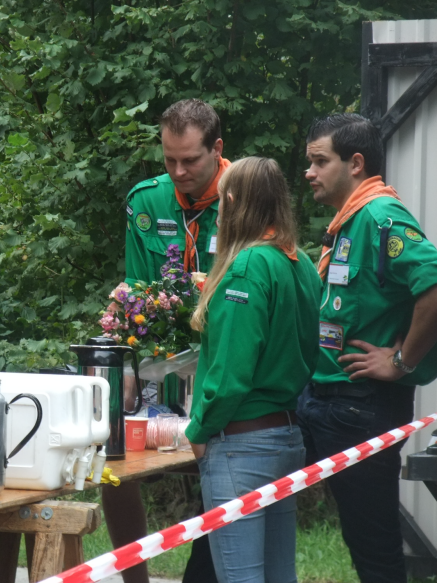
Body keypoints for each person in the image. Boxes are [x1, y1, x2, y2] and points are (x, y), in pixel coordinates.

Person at [297, 114, 437, 583]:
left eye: (319, 161)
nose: (309, 172)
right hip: (320, 399)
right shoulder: (348, 221)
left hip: (360, 407)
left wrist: (401, 361)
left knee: (372, 545)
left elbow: (433, 284)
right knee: (249, 503)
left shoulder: (380, 216)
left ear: (355, 163)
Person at [187, 156, 321, 582]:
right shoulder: (299, 261)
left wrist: (198, 431)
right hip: (285, 435)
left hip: (242, 445)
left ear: (229, 201)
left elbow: (230, 374)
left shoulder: (246, 266)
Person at [113, 99, 230, 583]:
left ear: (217, 149)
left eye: (191, 160)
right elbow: (135, 291)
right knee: (112, 459)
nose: (179, 171)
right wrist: (125, 361)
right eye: (169, 160)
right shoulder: (146, 200)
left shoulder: (245, 194)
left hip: (223, 361)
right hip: (161, 362)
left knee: (222, 473)